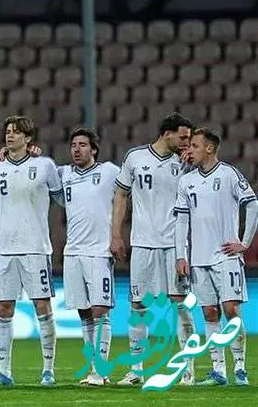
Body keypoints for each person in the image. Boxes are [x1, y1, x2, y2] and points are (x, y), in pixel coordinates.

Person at [110, 113, 197, 386]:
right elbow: (121, 195)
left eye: (189, 139)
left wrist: (194, 163)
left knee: (181, 304)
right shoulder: (135, 157)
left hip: (175, 245)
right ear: (166, 134)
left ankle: (188, 370)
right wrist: (116, 234)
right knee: (138, 305)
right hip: (143, 243)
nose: (187, 143)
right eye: (183, 137)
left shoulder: (187, 163)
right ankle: (136, 370)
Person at [175, 128, 257, 386]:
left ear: (209, 148)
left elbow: (252, 204)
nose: (190, 150)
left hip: (226, 256)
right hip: (199, 259)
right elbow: (181, 221)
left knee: (231, 310)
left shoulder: (229, 174)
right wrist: (181, 256)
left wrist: (244, 243)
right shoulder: (186, 181)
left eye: (195, 146)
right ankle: (218, 370)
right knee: (209, 313)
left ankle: (240, 368)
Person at [0, 115, 61, 386]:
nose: (10, 135)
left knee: (42, 306)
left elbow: (60, 196)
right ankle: (4, 372)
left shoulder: (44, 165)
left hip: (35, 247)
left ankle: (48, 370)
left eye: (16, 132)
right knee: (4, 308)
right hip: (4, 248)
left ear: (28, 138)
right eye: (8, 131)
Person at [57, 129, 119, 386]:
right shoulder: (64, 174)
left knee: (100, 310)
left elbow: (131, 189)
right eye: (73, 145)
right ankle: (94, 369)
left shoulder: (110, 172)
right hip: (73, 252)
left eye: (83, 145)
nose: (76, 149)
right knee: (84, 312)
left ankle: (101, 370)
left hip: (99, 252)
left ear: (93, 149)